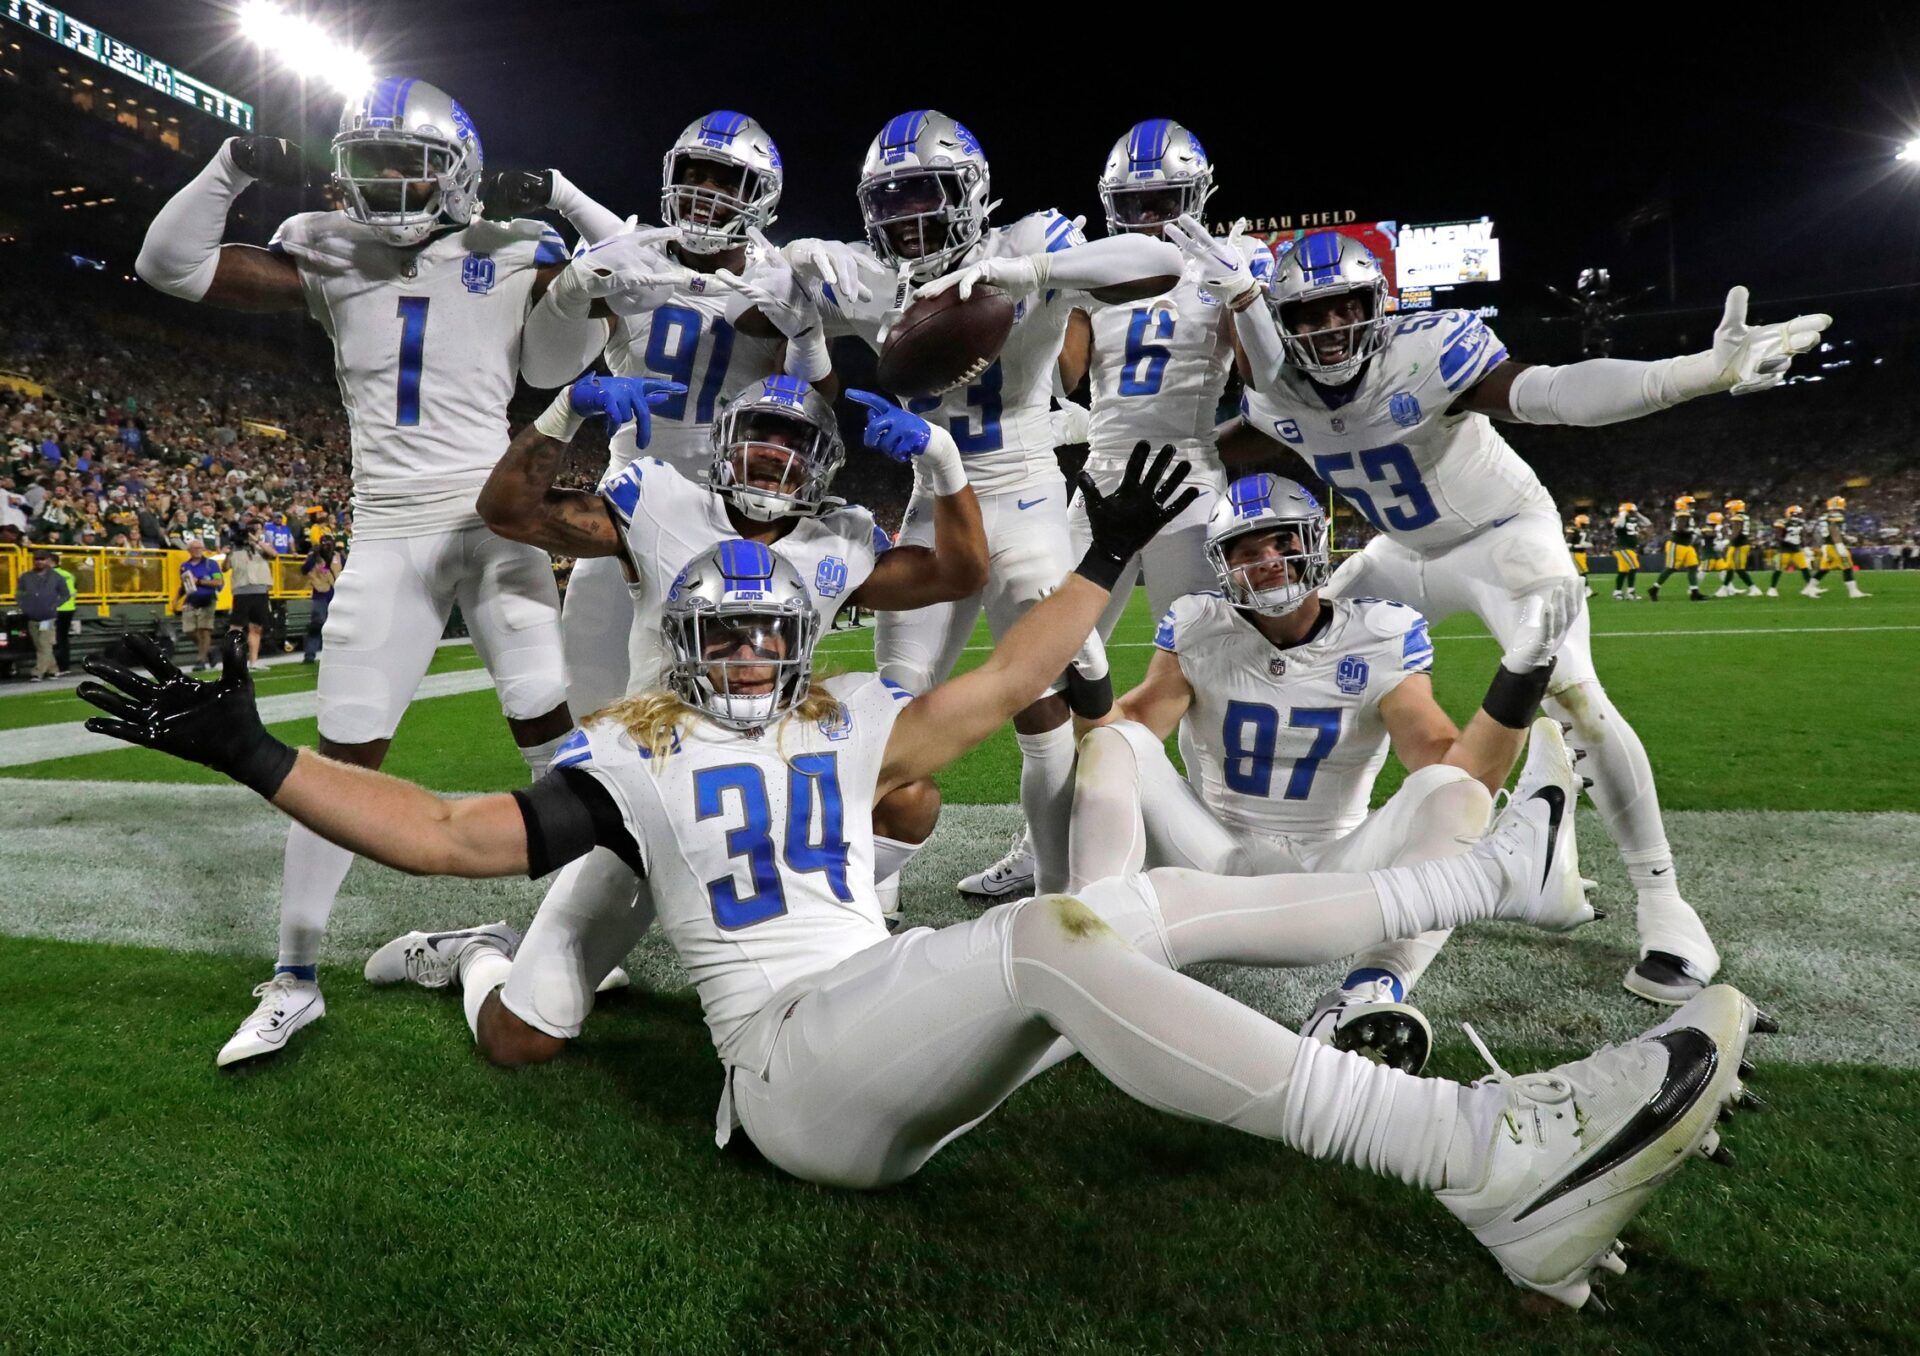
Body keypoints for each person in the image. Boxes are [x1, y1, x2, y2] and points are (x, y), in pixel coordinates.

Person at [76, 448, 1768, 1313]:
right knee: (1055, 930)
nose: (743, 653)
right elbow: (449, 831)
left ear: (797, 636)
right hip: (797, 1070)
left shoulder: (853, 709)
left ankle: (1474, 888)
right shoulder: (637, 748)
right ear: (684, 643)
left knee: (1125, 918)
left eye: (764, 630)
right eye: (717, 632)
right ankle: (1479, 1155)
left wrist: (1099, 552)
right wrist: (252, 752)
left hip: (887, 1025)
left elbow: (1013, 661)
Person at [133, 77, 621, 1064]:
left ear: (460, 174)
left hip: (493, 523)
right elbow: (167, 264)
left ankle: (583, 943)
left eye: (412, 164)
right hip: (390, 529)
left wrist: (567, 205)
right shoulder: (327, 243)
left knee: (552, 737)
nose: (390, 184)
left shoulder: (508, 246)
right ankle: (296, 976)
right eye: (372, 163)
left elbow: (610, 300)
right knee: (340, 760)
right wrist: (234, 164)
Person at [1222, 231, 1826, 1005]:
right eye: (1308, 316)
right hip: (1400, 552)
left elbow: (1554, 393)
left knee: (1573, 692)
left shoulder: (1427, 349)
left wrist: (1698, 374)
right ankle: (1324, 844)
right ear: (1280, 326)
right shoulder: (1279, 393)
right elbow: (1222, 448)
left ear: (1379, 306)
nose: (1331, 329)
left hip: (1503, 537)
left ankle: (1664, 901)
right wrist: (1097, 438)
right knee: (1297, 650)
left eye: (1346, 307)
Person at [789, 109, 1188, 898]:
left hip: (1027, 493)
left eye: (925, 193)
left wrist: (1035, 278)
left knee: (1044, 718)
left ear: (970, 192)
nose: (907, 217)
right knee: (895, 704)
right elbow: (806, 362)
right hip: (932, 503)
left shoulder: (1025, 247)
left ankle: (1053, 885)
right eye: (892, 199)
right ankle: (874, 894)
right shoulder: (864, 274)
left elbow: (1159, 263)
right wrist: (801, 298)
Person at [1069, 473, 1585, 1072]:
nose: (1267, 560)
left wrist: (1522, 675)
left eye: (1281, 541)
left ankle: (1367, 995)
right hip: (1211, 858)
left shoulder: (1378, 634)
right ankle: (1088, 949)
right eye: (1245, 549)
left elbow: (1462, 771)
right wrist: (1087, 673)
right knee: (1115, 744)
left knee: (1451, 790)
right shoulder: (1198, 625)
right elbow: (1112, 739)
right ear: (1221, 563)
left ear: (1315, 540)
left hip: (1334, 873)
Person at [477, 368, 986, 942]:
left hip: (769, 771)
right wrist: (566, 407)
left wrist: (941, 458)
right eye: (761, 431)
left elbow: (960, 574)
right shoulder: (662, 501)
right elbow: (508, 513)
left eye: (794, 439)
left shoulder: (839, 539)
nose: (773, 450)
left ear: (823, 459)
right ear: (725, 440)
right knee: (532, 1028)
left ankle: (821, 916)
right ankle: (479, 953)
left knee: (911, 798)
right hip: (659, 764)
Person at [956, 119, 1275, 902]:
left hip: (1186, 487)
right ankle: (1045, 842)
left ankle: (1197, 851)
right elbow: (1062, 380)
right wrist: (1045, 300)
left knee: (1199, 668)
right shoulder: (1099, 272)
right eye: (1136, 202)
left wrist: (1245, 291)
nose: (1151, 216)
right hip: (1099, 482)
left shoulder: (1230, 264)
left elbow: (1266, 380)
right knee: (1047, 662)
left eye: (1166, 199)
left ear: (1198, 195)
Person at [517, 112, 840, 721]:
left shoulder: (781, 278)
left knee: (739, 701)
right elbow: (541, 369)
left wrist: (806, 331)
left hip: (734, 511)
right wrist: (577, 287)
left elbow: (817, 411)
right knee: (594, 694)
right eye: (694, 173)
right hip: (628, 498)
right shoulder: (627, 262)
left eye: (724, 179)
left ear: (760, 197)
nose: (704, 191)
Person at [226, 518, 278, 670]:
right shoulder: (235, 548)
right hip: (241, 590)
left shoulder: (260, 546)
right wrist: (231, 550)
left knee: (257, 627)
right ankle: (231, 660)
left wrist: (255, 541)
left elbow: (273, 554)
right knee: (236, 628)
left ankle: (253, 661)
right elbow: (225, 567)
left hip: (259, 590)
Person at [18, 549, 69, 681]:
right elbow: (19, 594)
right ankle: (53, 669)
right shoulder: (26, 577)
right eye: (36, 559)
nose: (39, 561)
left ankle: (37, 672)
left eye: (42, 559)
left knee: (44, 643)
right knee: (40, 645)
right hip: (32, 616)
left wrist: (54, 605)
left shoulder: (56, 577)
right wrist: (25, 606)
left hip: (47, 617)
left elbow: (66, 594)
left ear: (47, 560)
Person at [174, 539, 225, 672]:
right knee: (189, 630)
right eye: (194, 548)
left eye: (199, 548)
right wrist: (176, 599)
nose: (197, 550)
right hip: (191, 600)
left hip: (207, 598)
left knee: (204, 629)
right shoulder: (185, 566)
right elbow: (184, 586)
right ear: (189, 550)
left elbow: (218, 582)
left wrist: (200, 582)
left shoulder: (211, 564)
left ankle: (200, 660)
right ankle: (209, 651)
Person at [1647, 494, 1704, 602]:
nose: (1692, 506)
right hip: (1677, 544)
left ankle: (1694, 592)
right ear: (1683, 505)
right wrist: (1692, 531)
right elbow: (1679, 529)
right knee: (1671, 568)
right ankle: (1654, 589)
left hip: (1686, 545)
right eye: (1690, 504)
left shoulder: (1686, 514)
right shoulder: (1682, 514)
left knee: (1693, 566)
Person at [1813, 495, 1869, 599]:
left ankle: (1810, 588)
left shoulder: (1824, 516)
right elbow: (1833, 529)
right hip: (1834, 546)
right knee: (1847, 566)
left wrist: (1847, 538)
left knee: (1825, 569)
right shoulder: (1835, 515)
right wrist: (1839, 545)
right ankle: (1853, 592)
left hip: (1828, 545)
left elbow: (1834, 532)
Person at [300, 536, 340, 663]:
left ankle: (335, 654)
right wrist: (314, 559)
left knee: (336, 625)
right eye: (324, 543)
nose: (326, 546)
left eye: (328, 543)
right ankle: (310, 655)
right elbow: (304, 570)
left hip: (336, 593)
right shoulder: (315, 557)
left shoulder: (338, 556)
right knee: (318, 624)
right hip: (320, 593)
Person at [1767, 505, 1814, 596]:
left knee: (1805, 567)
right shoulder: (1782, 522)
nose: (1798, 516)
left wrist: (1805, 547)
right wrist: (1789, 542)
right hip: (1785, 550)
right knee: (1779, 569)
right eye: (1797, 514)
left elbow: (1802, 536)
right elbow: (1778, 537)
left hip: (1797, 549)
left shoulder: (1800, 523)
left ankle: (1810, 587)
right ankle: (1772, 588)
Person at [1718, 498, 1760, 596]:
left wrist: (1726, 541)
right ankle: (1724, 589)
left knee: (1739, 569)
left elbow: (1736, 531)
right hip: (1736, 544)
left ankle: (1754, 588)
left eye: (1729, 508)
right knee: (1730, 567)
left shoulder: (1738, 517)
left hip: (1740, 545)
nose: (1728, 511)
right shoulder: (1742, 517)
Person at [52, 555, 78, 674]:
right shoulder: (68, 574)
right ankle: (65, 666)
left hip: (56, 609)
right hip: (69, 608)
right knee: (63, 638)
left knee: (54, 639)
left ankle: (56, 667)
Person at [1566, 512, 1593, 596]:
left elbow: (1590, 544)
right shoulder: (1572, 530)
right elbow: (1567, 543)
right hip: (1575, 553)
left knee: (1580, 572)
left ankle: (1581, 591)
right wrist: (1577, 546)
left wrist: (1585, 545)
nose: (1585, 525)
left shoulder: (1585, 530)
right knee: (1582, 572)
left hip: (1582, 554)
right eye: (1583, 524)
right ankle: (1586, 590)